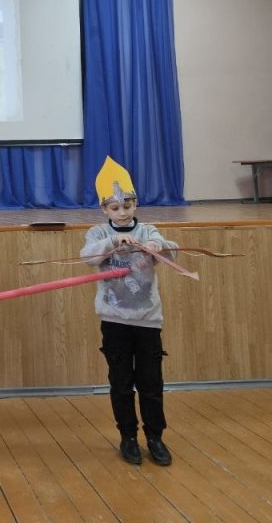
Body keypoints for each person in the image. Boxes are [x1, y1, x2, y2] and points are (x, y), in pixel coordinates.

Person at [81, 156, 177, 468]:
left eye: (127, 205)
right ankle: (128, 437)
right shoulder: (98, 234)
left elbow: (171, 251)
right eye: (115, 208)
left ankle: (155, 437)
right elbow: (88, 257)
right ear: (104, 209)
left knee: (151, 383)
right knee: (121, 383)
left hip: (148, 321)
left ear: (135, 203)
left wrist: (160, 246)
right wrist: (113, 240)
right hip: (115, 321)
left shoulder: (149, 231)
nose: (122, 212)